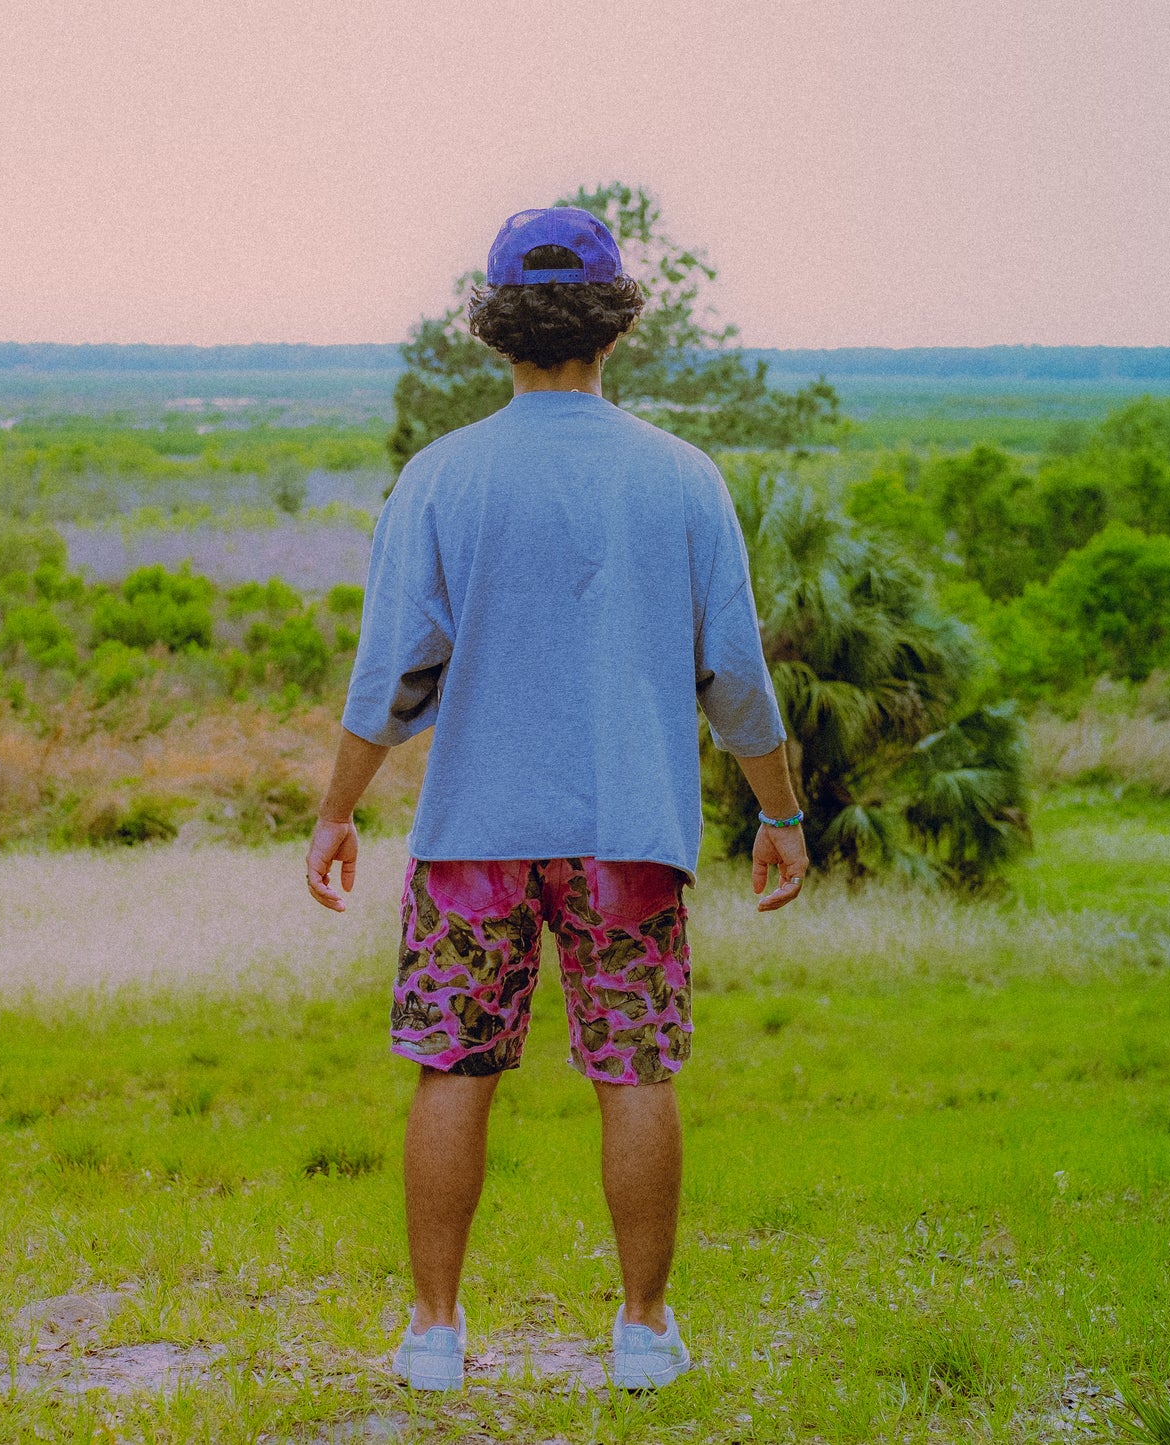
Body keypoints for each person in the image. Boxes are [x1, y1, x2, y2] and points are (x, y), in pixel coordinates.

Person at [305, 206, 809, 1393]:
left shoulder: (439, 476)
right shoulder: (681, 477)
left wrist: (335, 811)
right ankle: (642, 1329)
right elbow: (733, 671)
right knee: (633, 1072)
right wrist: (778, 814)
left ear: (493, 328)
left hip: (471, 833)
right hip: (627, 832)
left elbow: (390, 676)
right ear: (614, 322)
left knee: (452, 1069)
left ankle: (433, 1332)